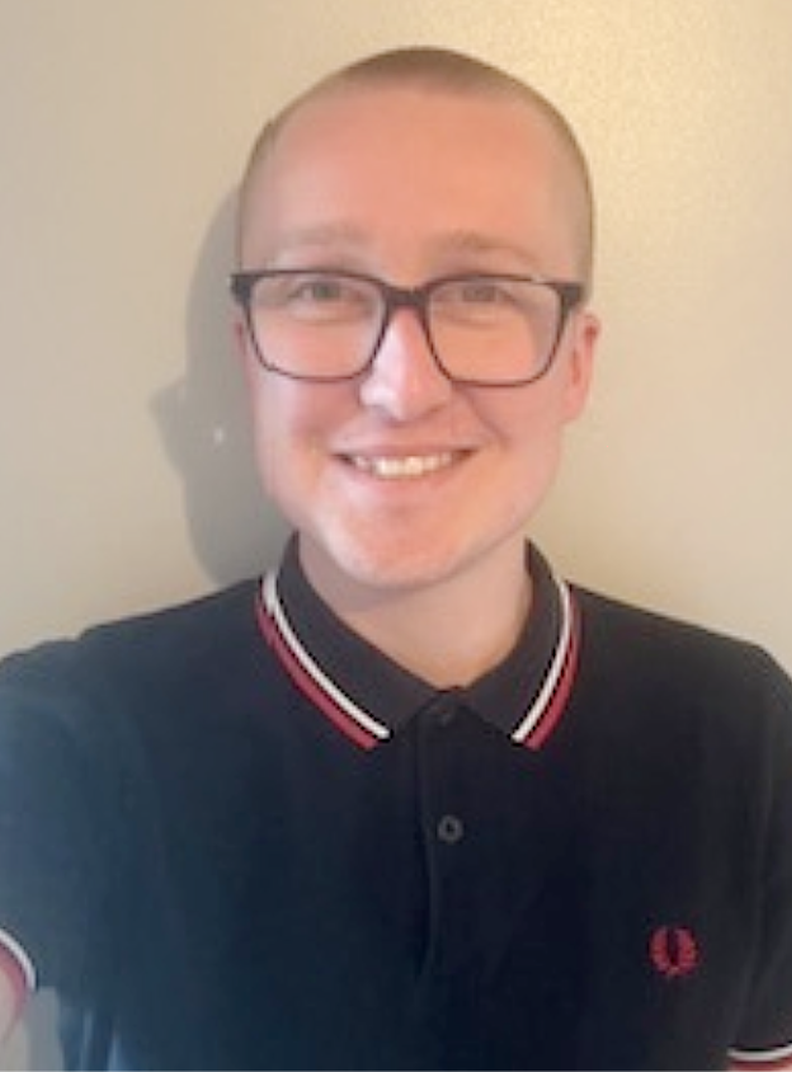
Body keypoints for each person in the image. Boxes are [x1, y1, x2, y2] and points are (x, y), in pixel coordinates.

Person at [1, 45, 791, 1072]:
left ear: (576, 364)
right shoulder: (75, 735)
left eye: (483, 292)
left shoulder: (745, 730)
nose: (401, 383)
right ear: (248, 353)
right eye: (324, 287)